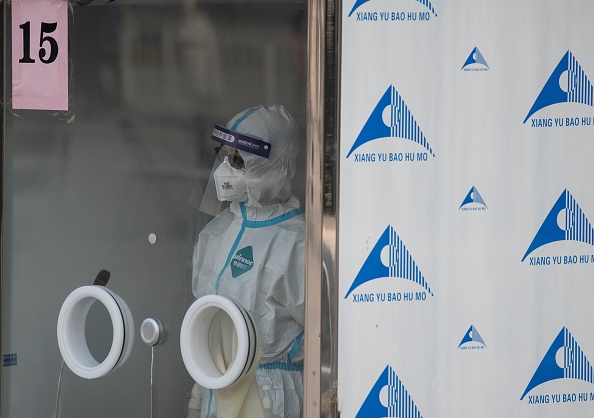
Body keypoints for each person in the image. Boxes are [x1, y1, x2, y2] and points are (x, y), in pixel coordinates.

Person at [188, 105, 305, 418]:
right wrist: (198, 395)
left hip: (270, 398)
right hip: (216, 387)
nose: (226, 169)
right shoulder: (215, 234)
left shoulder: (297, 243)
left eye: (238, 160)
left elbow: (326, 339)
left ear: (274, 169)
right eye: (225, 156)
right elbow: (205, 324)